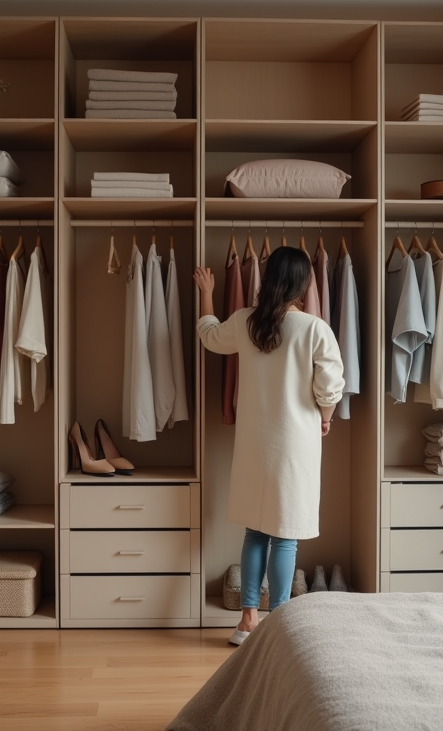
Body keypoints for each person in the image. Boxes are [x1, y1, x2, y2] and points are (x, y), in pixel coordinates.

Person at [193, 246, 345, 645]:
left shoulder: (246, 322)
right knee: (286, 534)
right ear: (303, 283)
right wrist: (326, 417)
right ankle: (278, 625)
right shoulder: (315, 328)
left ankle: (247, 621)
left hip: (254, 443)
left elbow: (209, 336)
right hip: (295, 443)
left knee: (255, 531)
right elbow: (330, 387)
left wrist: (207, 291)